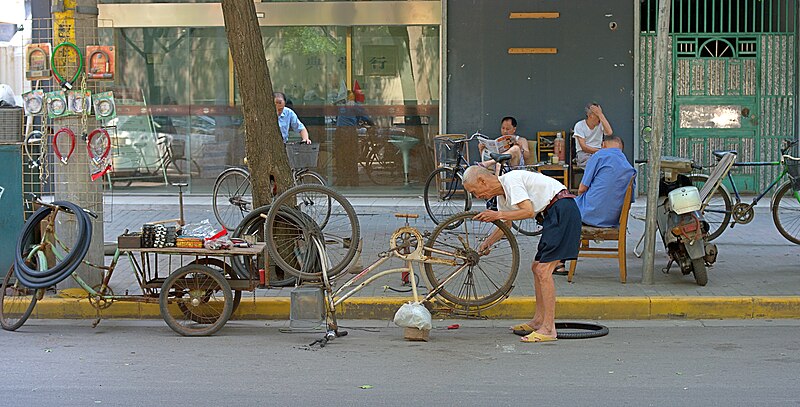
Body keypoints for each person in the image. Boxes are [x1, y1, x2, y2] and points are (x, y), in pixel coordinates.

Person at [461, 165, 581, 343]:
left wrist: (497, 214)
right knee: (536, 268)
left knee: (543, 270)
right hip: (553, 213)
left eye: (474, 191)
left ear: (482, 181)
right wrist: (486, 243)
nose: (477, 196)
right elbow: (506, 225)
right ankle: (538, 320)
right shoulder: (502, 196)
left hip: (563, 210)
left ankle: (548, 329)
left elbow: (528, 211)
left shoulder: (511, 180)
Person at [553, 135, 635, 275]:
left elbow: (581, 189)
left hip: (591, 214)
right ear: (620, 148)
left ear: (603, 144)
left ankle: (559, 262)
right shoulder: (628, 167)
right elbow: (630, 200)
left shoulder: (599, 155)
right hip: (614, 219)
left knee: (561, 211)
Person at [334, 91, 373, 186]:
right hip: (349, 133)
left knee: (340, 157)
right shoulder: (355, 106)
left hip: (339, 132)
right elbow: (366, 118)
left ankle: (341, 182)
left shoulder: (340, 106)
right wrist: (373, 124)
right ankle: (353, 182)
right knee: (351, 157)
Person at [573, 103, 613, 167]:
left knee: (611, 162)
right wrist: (600, 151)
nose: (600, 118)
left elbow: (609, 132)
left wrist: (601, 114)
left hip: (599, 152)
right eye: (597, 114)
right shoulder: (579, 125)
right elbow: (584, 147)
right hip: (584, 154)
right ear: (590, 115)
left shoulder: (601, 124)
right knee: (595, 165)